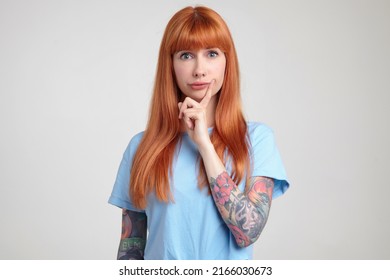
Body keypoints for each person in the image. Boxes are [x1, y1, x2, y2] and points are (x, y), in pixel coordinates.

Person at [108, 5, 289, 260]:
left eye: (212, 53)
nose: (199, 69)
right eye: (185, 55)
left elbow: (248, 231)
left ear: (228, 61)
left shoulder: (257, 139)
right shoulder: (141, 147)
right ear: (170, 64)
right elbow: (132, 247)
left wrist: (204, 145)